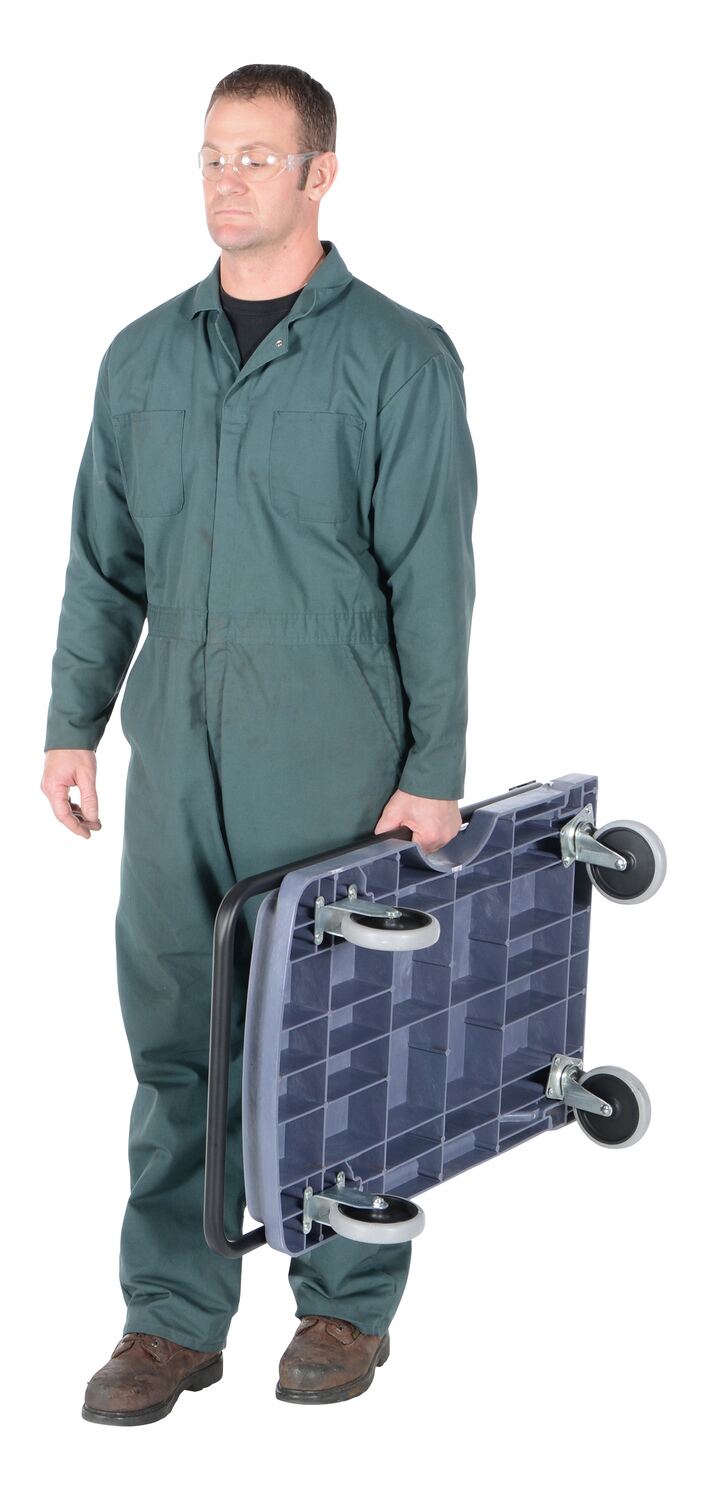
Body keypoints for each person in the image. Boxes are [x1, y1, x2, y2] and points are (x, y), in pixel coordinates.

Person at [41, 62, 478, 1424]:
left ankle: (345, 1308)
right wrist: (72, 725)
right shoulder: (141, 355)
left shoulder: (397, 356)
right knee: (176, 1033)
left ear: (319, 174)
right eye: (213, 156)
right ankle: (171, 1319)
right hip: (177, 749)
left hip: (332, 748)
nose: (228, 181)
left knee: (339, 1032)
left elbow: (432, 574)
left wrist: (435, 770)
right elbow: (103, 563)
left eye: (257, 157)